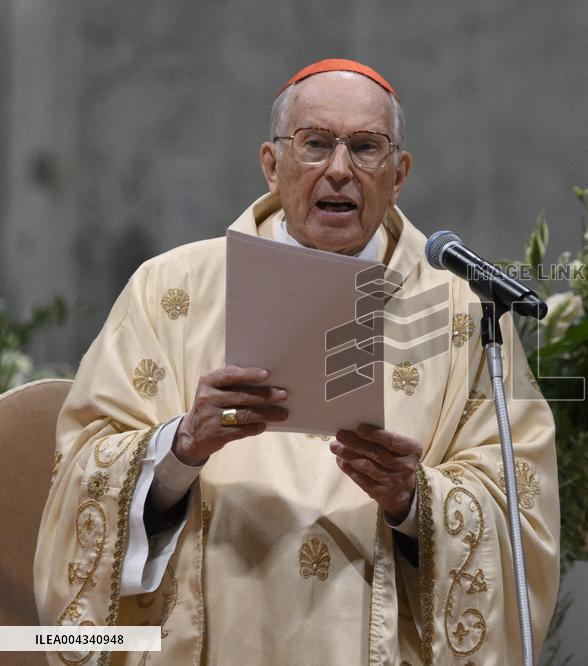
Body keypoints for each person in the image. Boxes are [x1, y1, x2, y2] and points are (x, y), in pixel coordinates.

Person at [34, 59, 559, 664]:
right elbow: (82, 468)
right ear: (271, 162)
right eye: (314, 144)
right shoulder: (170, 289)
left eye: (365, 147)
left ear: (399, 174)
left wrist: (414, 499)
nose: (339, 170)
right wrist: (182, 445)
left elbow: (518, 506)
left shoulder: (465, 312)